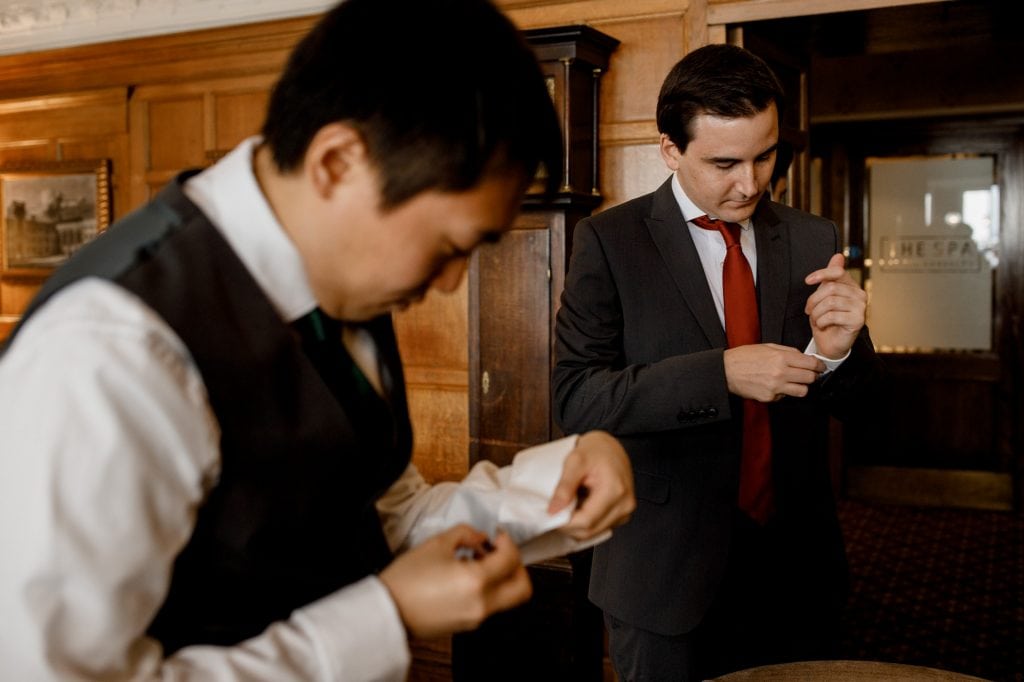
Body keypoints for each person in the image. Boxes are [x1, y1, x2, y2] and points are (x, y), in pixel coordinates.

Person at [0, 1, 635, 679]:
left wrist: (554, 487)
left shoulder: (336, 286)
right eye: (450, 246)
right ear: (337, 163)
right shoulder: (110, 351)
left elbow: (370, 513)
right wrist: (384, 621)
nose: (451, 283)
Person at [552, 43, 885, 681]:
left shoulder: (814, 236)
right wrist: (722, 373)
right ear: (670, 151)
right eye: (725, 162)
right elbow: (576, 396)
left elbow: (866, 406)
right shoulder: (610, 241)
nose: (751, 183)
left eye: (766, 156)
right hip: (662, 572)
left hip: (794, 567)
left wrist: (838, 354)